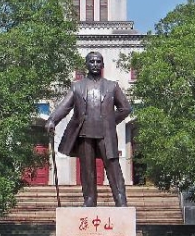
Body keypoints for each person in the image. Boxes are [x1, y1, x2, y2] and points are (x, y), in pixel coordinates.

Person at [45, 51, 131, 207]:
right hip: (84, 133)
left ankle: (120, 200)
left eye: (98, 61)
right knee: (87, 170)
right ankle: (89, 200)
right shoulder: (77, 87)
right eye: (92, 61)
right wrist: (52, 120)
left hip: (106, 134)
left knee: (113, 168)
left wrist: (110, 121)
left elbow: (125, 109)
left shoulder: (112, 86)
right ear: (87, 65)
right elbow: (64, 106)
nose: (95, 64)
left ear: (103, 65)